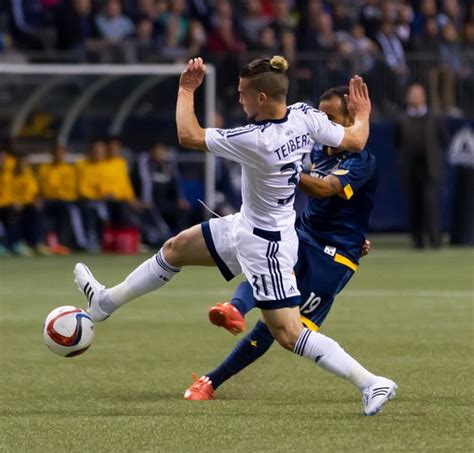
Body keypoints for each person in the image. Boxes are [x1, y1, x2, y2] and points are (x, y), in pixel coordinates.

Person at [74, 56, 395, 415]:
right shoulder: (305, 116)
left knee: (288, 334)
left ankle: (371, 382)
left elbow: (187, 135)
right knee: (175, 247)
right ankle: (106, 303)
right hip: (248, 223)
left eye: (243, 94)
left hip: (266, 244)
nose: (239, 100)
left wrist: (185, 89)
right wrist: (363, 113)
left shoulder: (255, 139)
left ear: (261, 98)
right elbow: (356, 137)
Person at [183, 86, 379, 404]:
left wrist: (282, 168)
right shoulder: (317, 151)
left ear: (348, 121)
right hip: (303, 235)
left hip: (333, 258)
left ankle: (212, 379)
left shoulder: (360, 160)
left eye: (329, 117)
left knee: (280, 329)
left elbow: (326, 189)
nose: (321, 122)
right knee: (268, 275)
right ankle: (233, 310)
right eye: (319, 114)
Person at [394, 83, 448, 249]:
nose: (415, 97)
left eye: (418, 94)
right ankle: (417, 240)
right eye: (413, 94)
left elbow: (444, 139)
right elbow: (397, 142)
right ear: (407, 97)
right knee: (413, 203)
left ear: (424, 97)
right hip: (410, 168)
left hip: (430, 167)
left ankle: (435, 239)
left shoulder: (434, 117)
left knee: (430, 202)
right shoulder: (401, 119)